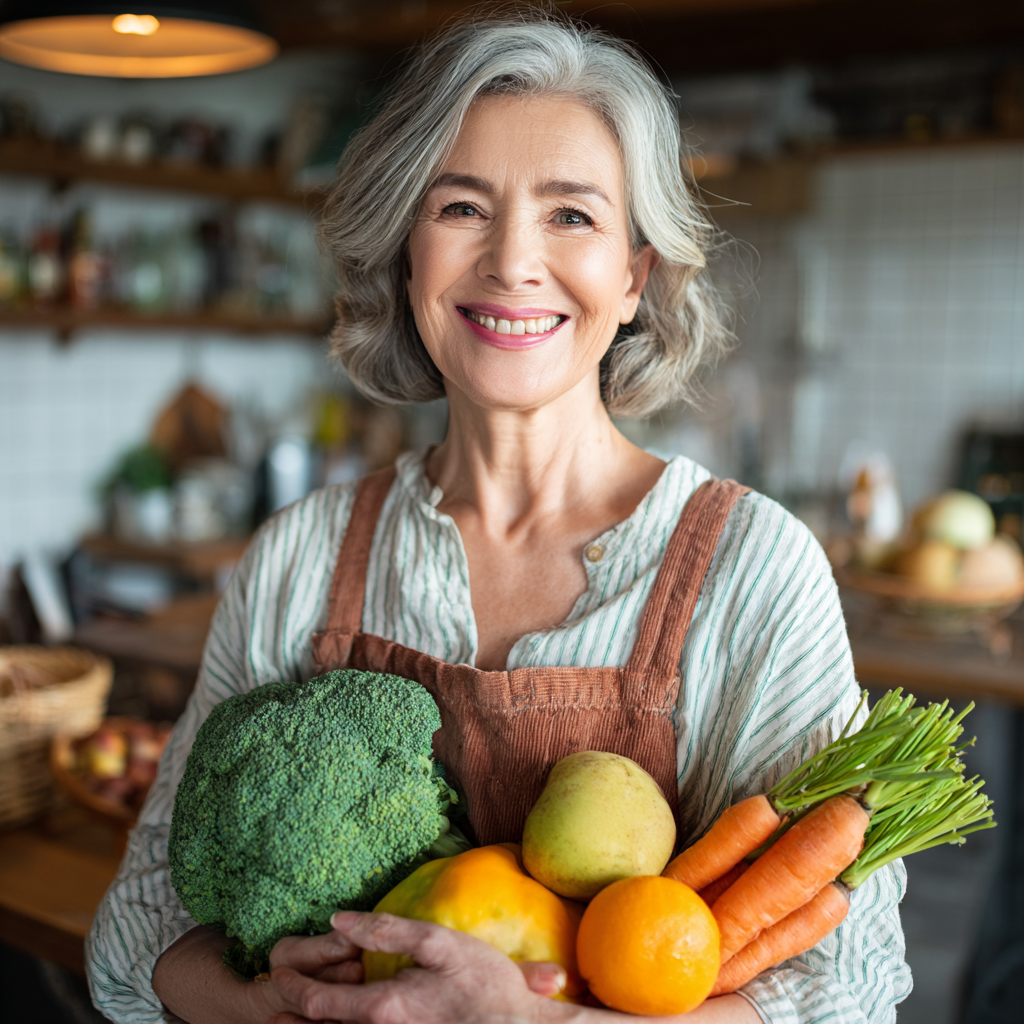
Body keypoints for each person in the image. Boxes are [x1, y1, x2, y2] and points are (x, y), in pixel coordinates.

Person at [87, 11, 910, 1024]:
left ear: (633, 275)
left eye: (571, 216)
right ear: (405, 255)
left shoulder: (751, 567)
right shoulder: (299, 556)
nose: (513, 262)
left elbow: (849, 984)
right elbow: (134, 934)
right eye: (463, 207)